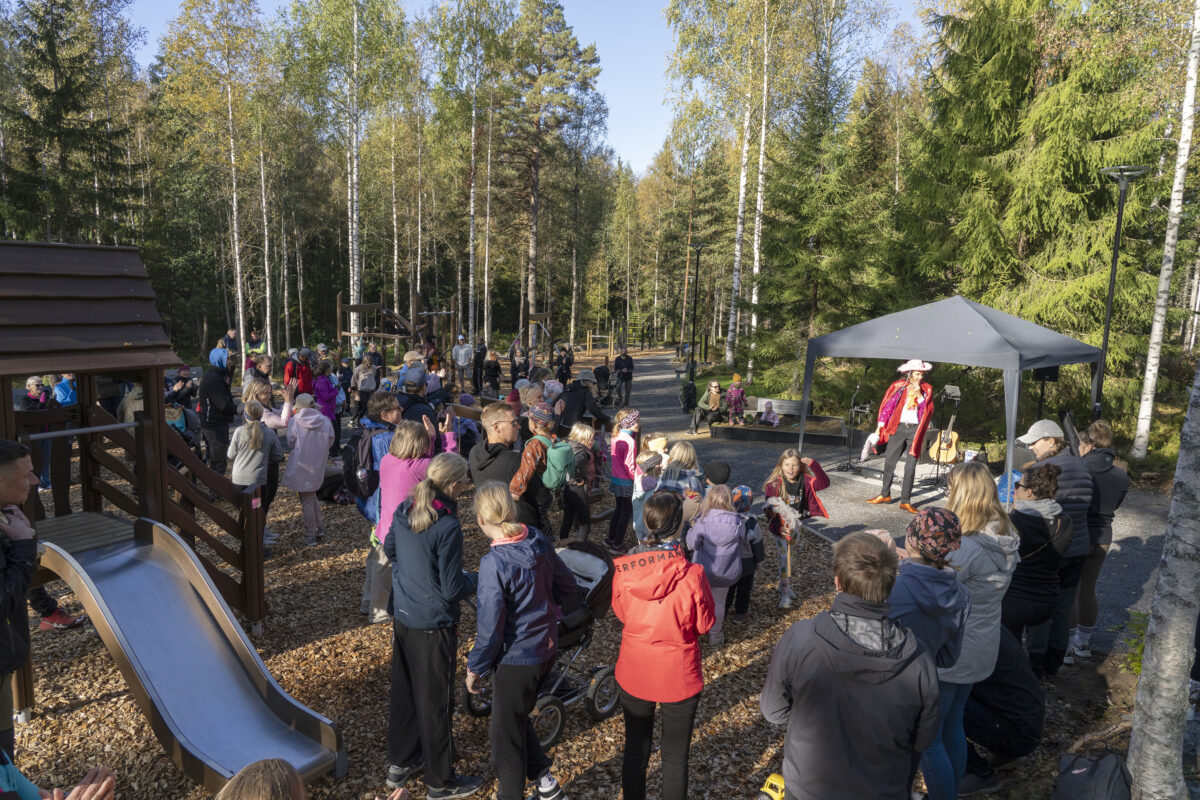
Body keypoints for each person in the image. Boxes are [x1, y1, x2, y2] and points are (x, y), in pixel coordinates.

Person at [761, 531, 939, 800]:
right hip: (883, 789)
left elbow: (773, 711)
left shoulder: (802, 639)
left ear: (837, 581)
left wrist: (810, 718)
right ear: (891, 585)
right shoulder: (919, 659)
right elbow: (923, 739)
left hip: (809, 788)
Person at [466, 483, 576, 800]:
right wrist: (557, 612)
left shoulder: (494, 563)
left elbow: (490, 627)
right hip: (545, 648)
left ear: (480, 520)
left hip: (517, 658)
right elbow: (566, 584)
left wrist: (475, 668)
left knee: (504, 737)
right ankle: (545, 783)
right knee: (517, 717)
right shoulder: (537, 538)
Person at [383, 453, 482, 799]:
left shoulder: (405, 510)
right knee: (436, 704)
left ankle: (402, 761)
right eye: (466, 481)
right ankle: (441, 782)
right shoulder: (447, 526)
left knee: (406, 692)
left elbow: (389, 549)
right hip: (434, 624)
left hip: (405, 614)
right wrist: (478, 579)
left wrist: (411, 578)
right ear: (454, 485)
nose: (468, 486)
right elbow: (452, 587)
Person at [612, 491, 714, 800]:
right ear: (678, 528)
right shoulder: (692, 574)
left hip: (634, 668)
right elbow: (704, 624)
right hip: (677, 674)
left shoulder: (624, 568)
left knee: (635, 749)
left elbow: (621, 613)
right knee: (674, 757)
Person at [931, 461, 1018, 800]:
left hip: (954, 648)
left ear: (962, 494)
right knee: (954, 724)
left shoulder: (966, 547)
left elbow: (934, 593)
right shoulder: (1004, 532)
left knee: (929, 737)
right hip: (981, 643)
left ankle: (942, 794)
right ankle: (952, 787)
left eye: (952, 490)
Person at [1018, 419, 1092, 678]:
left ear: (1052, 441)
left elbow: (1038, 512)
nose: (1032, 448)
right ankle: (1054, 663)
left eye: (1035, 443)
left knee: (1041, 608)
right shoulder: (1082, 467)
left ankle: (1036, 664)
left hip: (1049, 548)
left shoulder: (1042, 470)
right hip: (1077, 548)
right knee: (1063, 607)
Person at [370, 419, 458, 624]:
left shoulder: (388, 460)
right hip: (406, 530)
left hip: (385, 526)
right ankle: (391, 613)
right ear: (419, 445)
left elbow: (421, 465)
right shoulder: (419, 467)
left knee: (379, 567)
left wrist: (431, 437)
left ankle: (372, 605)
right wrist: (447, 438)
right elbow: (450, 470)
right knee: (398, 574)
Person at [957, 626, 1046, 795]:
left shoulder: (963, 635)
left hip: (1017, 732)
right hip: (1024, 723)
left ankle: (979, 773)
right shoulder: (982, 619)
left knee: (933, 704)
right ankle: (1005, 753)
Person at [1069, 420, 1129, 663]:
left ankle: (1065, 646)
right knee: (1089, 589)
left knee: (1071, 589)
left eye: (1081, 445)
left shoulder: (1079, 467)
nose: (1080, 449)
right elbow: (1115, 505)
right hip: (1104, 535)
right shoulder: (1121, 475)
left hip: (1080, 533)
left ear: (1089, 444)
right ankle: (1082, 644)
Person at [887, 508, 970, 671]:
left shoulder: (889, 590)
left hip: (887, 681)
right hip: (925, 680)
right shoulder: (961, 595)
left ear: (911, 540)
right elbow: (947, 658)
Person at [1002, 463, 1071, 644]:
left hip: (1013, 598)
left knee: (1010, 647)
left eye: (1018, 485)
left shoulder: (1012, 522)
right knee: (1038, 644)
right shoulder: (1065, 521)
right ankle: (1041, 669)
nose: (1015, 489)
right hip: (1047, 597)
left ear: (1029, 492)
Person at [763, 448, 829, 608]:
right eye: (786, 464)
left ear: (800, 466)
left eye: (794, 465)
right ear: (781, 465)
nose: (790, 468)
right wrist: (780, 529)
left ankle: (782, 584)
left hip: (795, 526)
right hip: (779, 528)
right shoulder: (774, 485)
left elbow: (824, 483)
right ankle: (785, 592)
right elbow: (768, 510)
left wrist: (814, 465)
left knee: (789, 558)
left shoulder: (805, 481)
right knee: (786, 560)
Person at [868, 359, 935, 513]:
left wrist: (919, 394)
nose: (920, 377)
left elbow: (927, 410)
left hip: (915, 430)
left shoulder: (926, 389)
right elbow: (887, 408)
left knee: (910, 465)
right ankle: (885, 494)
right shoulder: (898, 387)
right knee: (889, 462)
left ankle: (905, 501)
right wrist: (879, 428)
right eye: (917, 374)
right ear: (910, 373)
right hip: (898, 427)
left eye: (922, 374)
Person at [685, 485, 745, 647]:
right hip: (726, 570)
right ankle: (715, 635)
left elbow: (692, 544)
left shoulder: (703, 521)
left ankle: (696, 631)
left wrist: (691, 531)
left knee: (699, 601)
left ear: (709, 500)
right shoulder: (738, 521)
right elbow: (742, 538)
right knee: (719, 602)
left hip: (703, 569)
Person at [240, 380, 294, 550]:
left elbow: (281, 414)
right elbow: (283, 422)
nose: (269, 396)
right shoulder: (259, 413)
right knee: (261, 499)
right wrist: (288, 401)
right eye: (266, 393)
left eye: (270, 392)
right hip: (264, 466)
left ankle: (260, 528)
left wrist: (290, 402)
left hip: (256, 467)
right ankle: (258, 532)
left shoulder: (258, 408)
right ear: (256, 393)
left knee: (264, 499)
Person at [469, 402, 539, 529]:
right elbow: (541, 499)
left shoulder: (474, 453)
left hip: (494, 527)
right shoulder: (515, 462)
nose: (518, 426)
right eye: (513, 423)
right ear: (496, 427)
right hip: (522, 530)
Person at [227, 401, 284, 553]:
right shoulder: (269, 433)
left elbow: (230, 454)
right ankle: (256, 547)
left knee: (243, 512)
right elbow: (278, 455)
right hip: (258, 482)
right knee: (256, 512)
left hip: (238, 480)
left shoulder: (239, 431)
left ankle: (243, 543)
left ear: (245, 415)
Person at [282, 394, 334, 546]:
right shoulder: (325, 420)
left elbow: (291, 442)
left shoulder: (295, 421)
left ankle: (311, 533)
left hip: (302, 463)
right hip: (318, 462)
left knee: (307, 499)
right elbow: (331, 440)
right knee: (311, 496)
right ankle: (319, 527)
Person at [509, 402, 558, 535]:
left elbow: (527, 468)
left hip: (541, 486)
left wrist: (516, 489)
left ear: (534, 425)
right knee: (543, 514)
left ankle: (549, 542)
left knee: (541, 518)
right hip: (550, 485)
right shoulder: (553, 438)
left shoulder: (534, 444)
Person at [725, 485, 763, 624]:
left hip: (729, 560)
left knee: (728, 588)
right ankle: (740, 613)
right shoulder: (752, 523)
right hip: (747, 563)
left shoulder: (725, 520)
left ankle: (724, 609)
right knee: (744, 589)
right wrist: (759, 560)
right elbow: (757, 544)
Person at [607, 408, 641, 555]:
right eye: (636, 421)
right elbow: (629, 465)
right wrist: (637, 479)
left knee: (618, 509)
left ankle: (610, 539)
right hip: (626, 481)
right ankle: (618, 544)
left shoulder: (616, 435)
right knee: (625, 513)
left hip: (616, 479)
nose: (639, 424)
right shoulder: (630, 441)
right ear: (629, 423)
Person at [199, 347, 236, 474]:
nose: (231, 362)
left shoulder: (218, 375)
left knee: (218, 460)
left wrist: (232, 367)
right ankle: (215, 492)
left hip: (215, 423)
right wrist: (241, 409)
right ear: (220, 360)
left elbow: (228, 379)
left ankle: (215, 491)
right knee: (218, 461)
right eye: (228, 359)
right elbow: (223, 405)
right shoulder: (213, 379)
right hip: (214, 426)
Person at [560, 422, 598, 541]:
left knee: (568, 517)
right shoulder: (581, 452)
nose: (593, 441)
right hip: (577, 488)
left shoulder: (568, 446)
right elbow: (575, 468)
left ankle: (562, 541)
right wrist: (579, 480)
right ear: (582, 439)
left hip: (567, 487)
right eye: (590, 439)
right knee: (585, 521)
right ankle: (581, 545)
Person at [313, 361, 341, 458]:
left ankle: (333, 451)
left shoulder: (325, 379)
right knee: (333, 432)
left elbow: (328, 392)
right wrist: (336, 391)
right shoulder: (322, 381)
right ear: (327, 369)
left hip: (329, 409)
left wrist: (335, 388)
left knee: (334, 431)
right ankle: (332, 453)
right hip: (325, 410)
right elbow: (326, 396)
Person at [351, 356, 379, 426]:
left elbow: (374, 376)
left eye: (370, 363)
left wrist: (375, 386)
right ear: (364, 362)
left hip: (372, 390)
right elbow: (354, 378)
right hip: (362, 390)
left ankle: (369, 421)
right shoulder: (358, 369)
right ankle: (359, 421)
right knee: (364, 407)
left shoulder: (374, 367)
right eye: (368, 364)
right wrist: (353, 388)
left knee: (371, 407)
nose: (369, 365)